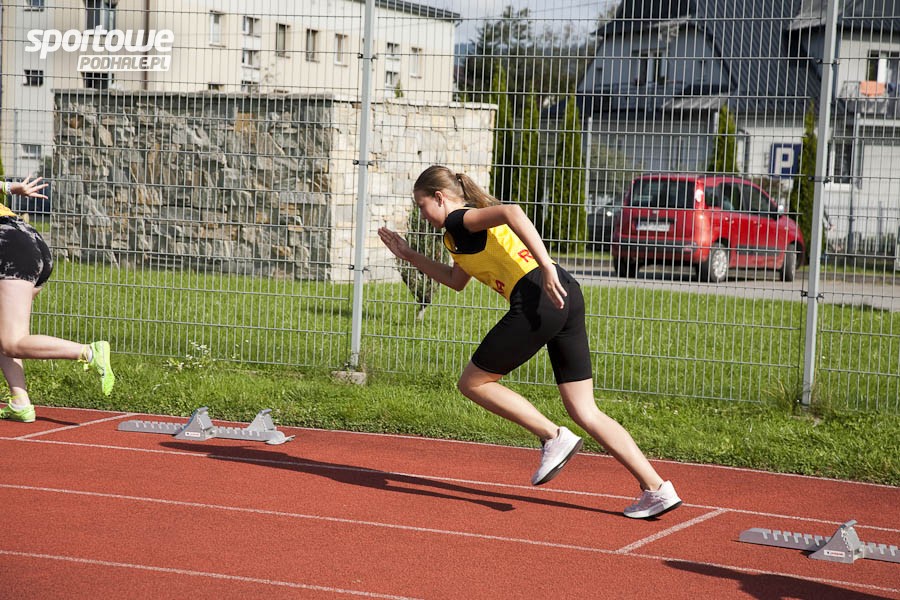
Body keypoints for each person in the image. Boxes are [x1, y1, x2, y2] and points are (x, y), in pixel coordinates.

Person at [378, 165, 682, 519]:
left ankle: (552, 436)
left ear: (440, 197)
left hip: (539, 295)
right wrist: (409, 255)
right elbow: (456, 280)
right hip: (566, 294)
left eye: (422, 205)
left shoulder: (461, 219)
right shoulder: (457, 235)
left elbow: (512, 212)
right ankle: (657, 488)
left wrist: (547, 267)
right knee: (584, 410)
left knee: (473, 382)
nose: (422, 214)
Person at [0, 176, 115, 424]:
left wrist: (8, 187)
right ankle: (20, 401)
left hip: (9, 247)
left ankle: (88, 352)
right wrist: (8, 187)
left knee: (12, 341)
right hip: (28, 240)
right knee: (4, 332)